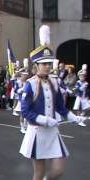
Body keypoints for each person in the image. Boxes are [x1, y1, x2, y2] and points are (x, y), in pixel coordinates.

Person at [20, 25, 85, 180]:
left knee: (58, 170)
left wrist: (74, 117)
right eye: (44, 64)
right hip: (37, 132)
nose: (48, 66)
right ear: (36, 66)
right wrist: (45, 120)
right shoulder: (30, 84)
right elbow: (25, 111)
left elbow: (61, 108)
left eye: (49, 63)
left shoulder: (55, 82)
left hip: (52, 132)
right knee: (39, 173)